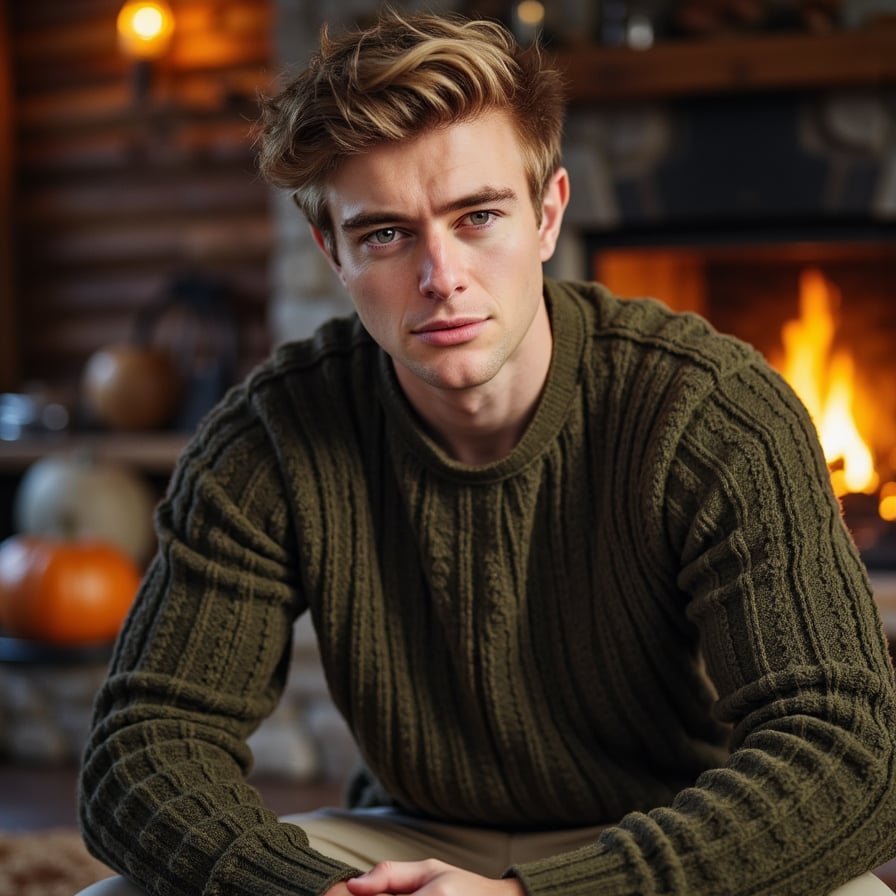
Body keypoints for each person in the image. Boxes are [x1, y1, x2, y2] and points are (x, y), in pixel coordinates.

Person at [77, 9, 896, 896]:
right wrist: (302, 893)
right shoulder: (273, 435)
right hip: (400, 840)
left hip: (662, 841)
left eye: (478, 217)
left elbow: (847, 751)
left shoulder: (712, 411)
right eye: (385, 233)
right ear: (332, 253)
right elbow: (142, 748)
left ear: (547, 216)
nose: (441, 276)